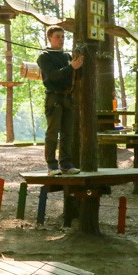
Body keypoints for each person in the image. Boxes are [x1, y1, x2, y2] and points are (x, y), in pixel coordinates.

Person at [37, 26, 83, 175]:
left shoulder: (67, 56)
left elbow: (74, 75)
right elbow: (52, 76)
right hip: (54, 98)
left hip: (67, 98)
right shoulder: (44, 57)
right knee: (52, 133)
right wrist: (71, 67)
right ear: (50, 38)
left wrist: (79, 63)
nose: (61, 39)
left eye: (63, 37)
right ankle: (52, 166)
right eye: (57, 36)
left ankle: (66, 165)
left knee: (67, 133)